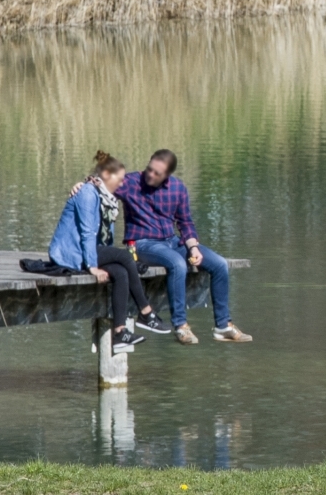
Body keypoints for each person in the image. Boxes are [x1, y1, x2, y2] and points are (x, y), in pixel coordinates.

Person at [117, 149, 250, 345]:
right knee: (178, 264)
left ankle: (223, 326)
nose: (150, 175)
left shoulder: (178, 188)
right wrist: (84, 184)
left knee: (220, 264)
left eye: (157, 173)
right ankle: (181, 326)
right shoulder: (131, 182)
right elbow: (103, 183)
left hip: (172, 241)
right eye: (149, 169)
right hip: (142, 244)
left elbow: (185, 222)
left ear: (168, 175)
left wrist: (193, 247)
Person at [47, 151, 167, 350]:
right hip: (72, 253)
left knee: (120, 272)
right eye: (119, 180)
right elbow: (86, 232)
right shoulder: (87, 193)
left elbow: (102, 238)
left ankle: (120, 333)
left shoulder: (104, 197)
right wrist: (92, 266)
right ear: (107, 176)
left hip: (90, 250)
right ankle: (146, 313)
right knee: (124, 256)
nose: (122, 184)